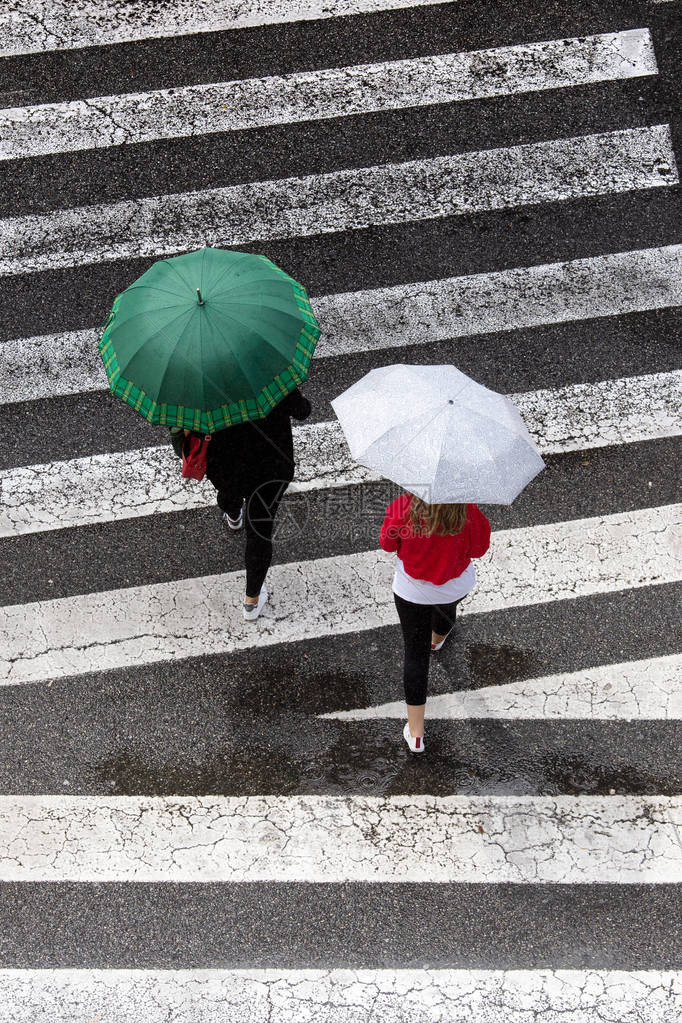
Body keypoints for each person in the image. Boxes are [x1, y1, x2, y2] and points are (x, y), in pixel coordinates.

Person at [172, 388, 311, 621]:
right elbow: (303, 411)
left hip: (226, 465)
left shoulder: (200, 388)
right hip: (271, 467)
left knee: (229, 491)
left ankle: (234, 515)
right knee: (259, 530)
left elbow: (184, 433)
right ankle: (251, 601)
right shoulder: (271, 378)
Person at [380, 493, 491, 753]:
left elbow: (387, 544)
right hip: (453, 586)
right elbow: (479, 550)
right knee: (446, 607)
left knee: (415, 656)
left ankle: (416, 733)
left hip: (413, 592)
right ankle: (438, 639)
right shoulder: (469, 512)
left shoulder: (404, 507)